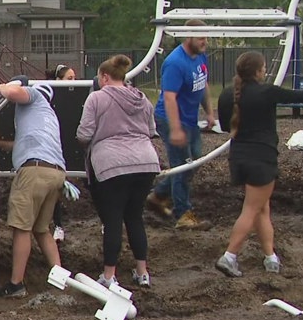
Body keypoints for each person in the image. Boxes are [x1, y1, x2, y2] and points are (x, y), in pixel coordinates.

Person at [214, 51, 303, 277]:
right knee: (252, 209)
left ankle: (270, 258)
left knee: (262, 207)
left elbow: (225, 127)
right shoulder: (267, 92)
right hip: (262, 158)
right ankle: (229, 256)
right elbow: (301, 97)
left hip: (239, 158)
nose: (265, 71)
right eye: (263, 68)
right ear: (257, 71)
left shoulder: (227, 95)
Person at [76, 55, 160, 289]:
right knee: (135, 217)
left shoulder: (97, 98)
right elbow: (151, 131)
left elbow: (84, 134)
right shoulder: (143, 100)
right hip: (146, 162)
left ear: (104, 77)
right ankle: (143, 272)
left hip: (112, 164)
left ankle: (109, 275)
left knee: (113, 220)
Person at [0, 78, 64, 298]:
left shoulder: (35, 97)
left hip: (34, 171)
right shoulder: (48, 116)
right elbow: (26, 142)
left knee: (22, 228)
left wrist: (3, 87)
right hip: (55, 173)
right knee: (41, 230)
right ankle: (60, 280)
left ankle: (16, 284)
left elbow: (14, 93)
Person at [146, 21, 216, 229]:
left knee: (194, 160)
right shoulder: (175, 63)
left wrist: (210, 113)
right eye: (200, 37)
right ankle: (183, 214)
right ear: (188, 37)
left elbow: (203, 84)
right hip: (170, 119)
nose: (205, 41)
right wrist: (175, 129)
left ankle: (158, 196)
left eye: (205, 37)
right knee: (182, 164)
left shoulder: (201, 56)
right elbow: (169, 98)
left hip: (190, 119)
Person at [51, 64, 76, 243]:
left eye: (74, 78)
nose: (73, 82)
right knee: (55, 186)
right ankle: (58, 225)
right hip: (57, 146)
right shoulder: (52, 100)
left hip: (74, 145)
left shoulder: (80, 97)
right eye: (69, 78)